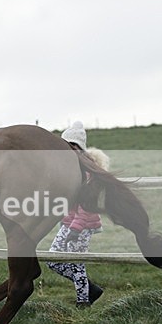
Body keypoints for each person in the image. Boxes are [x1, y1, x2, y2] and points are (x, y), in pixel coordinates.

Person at [48, 121, 108, 308]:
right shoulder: (69, 166)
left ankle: (83, 302)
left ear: (77, 147)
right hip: (68, 223)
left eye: (69, 146)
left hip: (83, 225)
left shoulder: (87, 171)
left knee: (76, 263)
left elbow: (87, 204)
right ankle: (90, 289)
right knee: (53, 261)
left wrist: (76, 228)